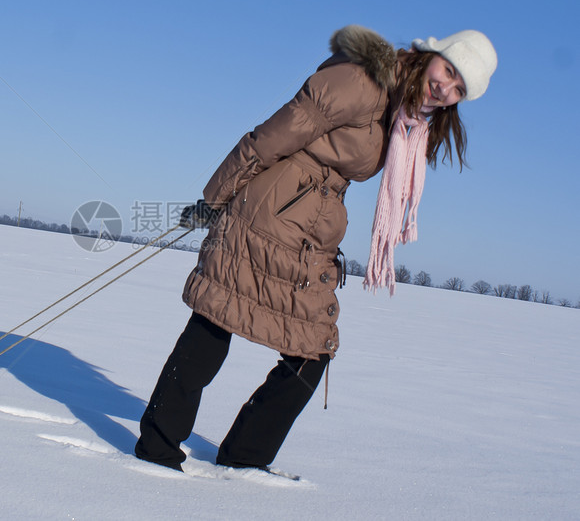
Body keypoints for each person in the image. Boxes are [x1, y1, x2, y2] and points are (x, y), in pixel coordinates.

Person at [134, 25, 497, 471]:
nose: (447, 88)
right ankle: (157, 449)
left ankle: (244, 461)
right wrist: (213, 199)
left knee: (312, 351)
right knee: (217, 319)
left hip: (309, 236)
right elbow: (271, 136)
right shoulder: (363, 82)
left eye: (460, 89)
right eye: (449, 71)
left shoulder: (404, 118)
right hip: (265, 214)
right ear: (431, 55)